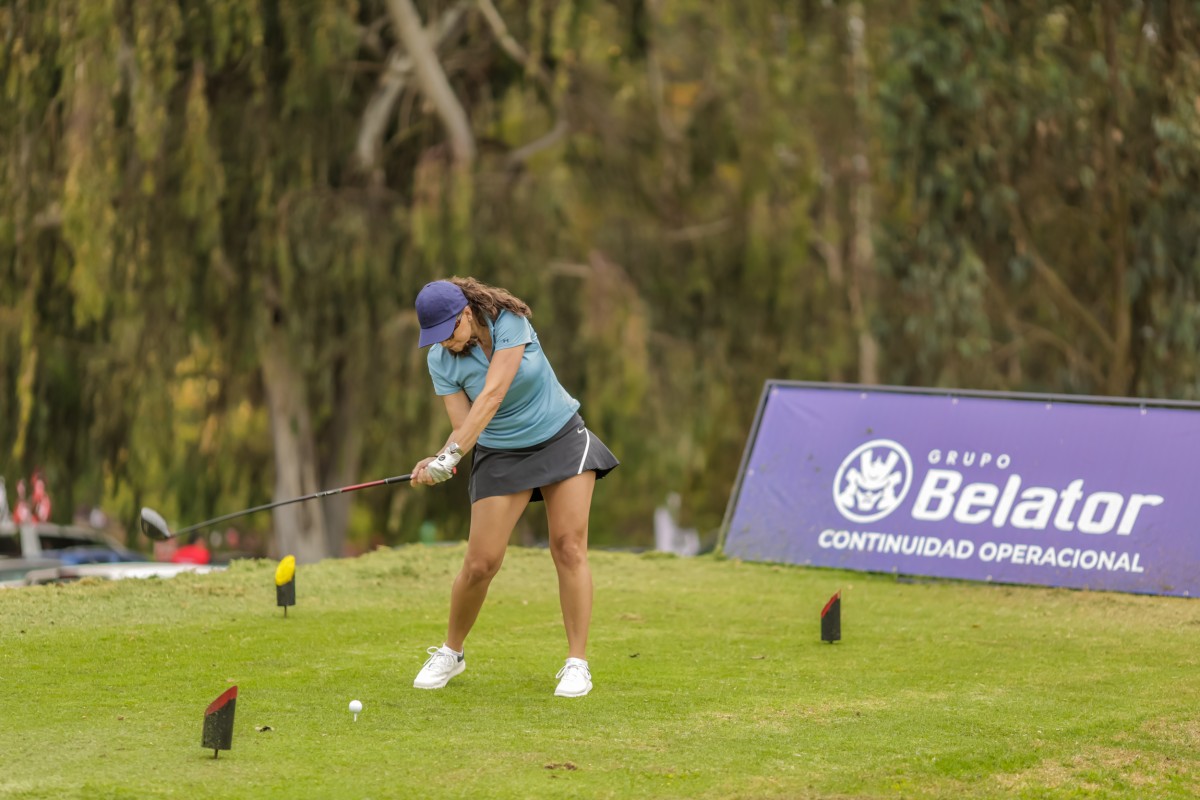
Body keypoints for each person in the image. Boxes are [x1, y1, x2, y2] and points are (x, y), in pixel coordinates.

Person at [409, 277, 618, 698]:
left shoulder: (508, 322)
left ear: (466, 313)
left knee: (568, 547)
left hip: (559, 436)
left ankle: (577, 663)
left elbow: (492, 394)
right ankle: (451, 652)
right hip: (501, 452)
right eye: (435, 337)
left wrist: (451, 456)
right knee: (480, 563)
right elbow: (462, 426)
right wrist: (439, 460)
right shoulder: (441, 360)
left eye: (449, 331)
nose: (445, 342)